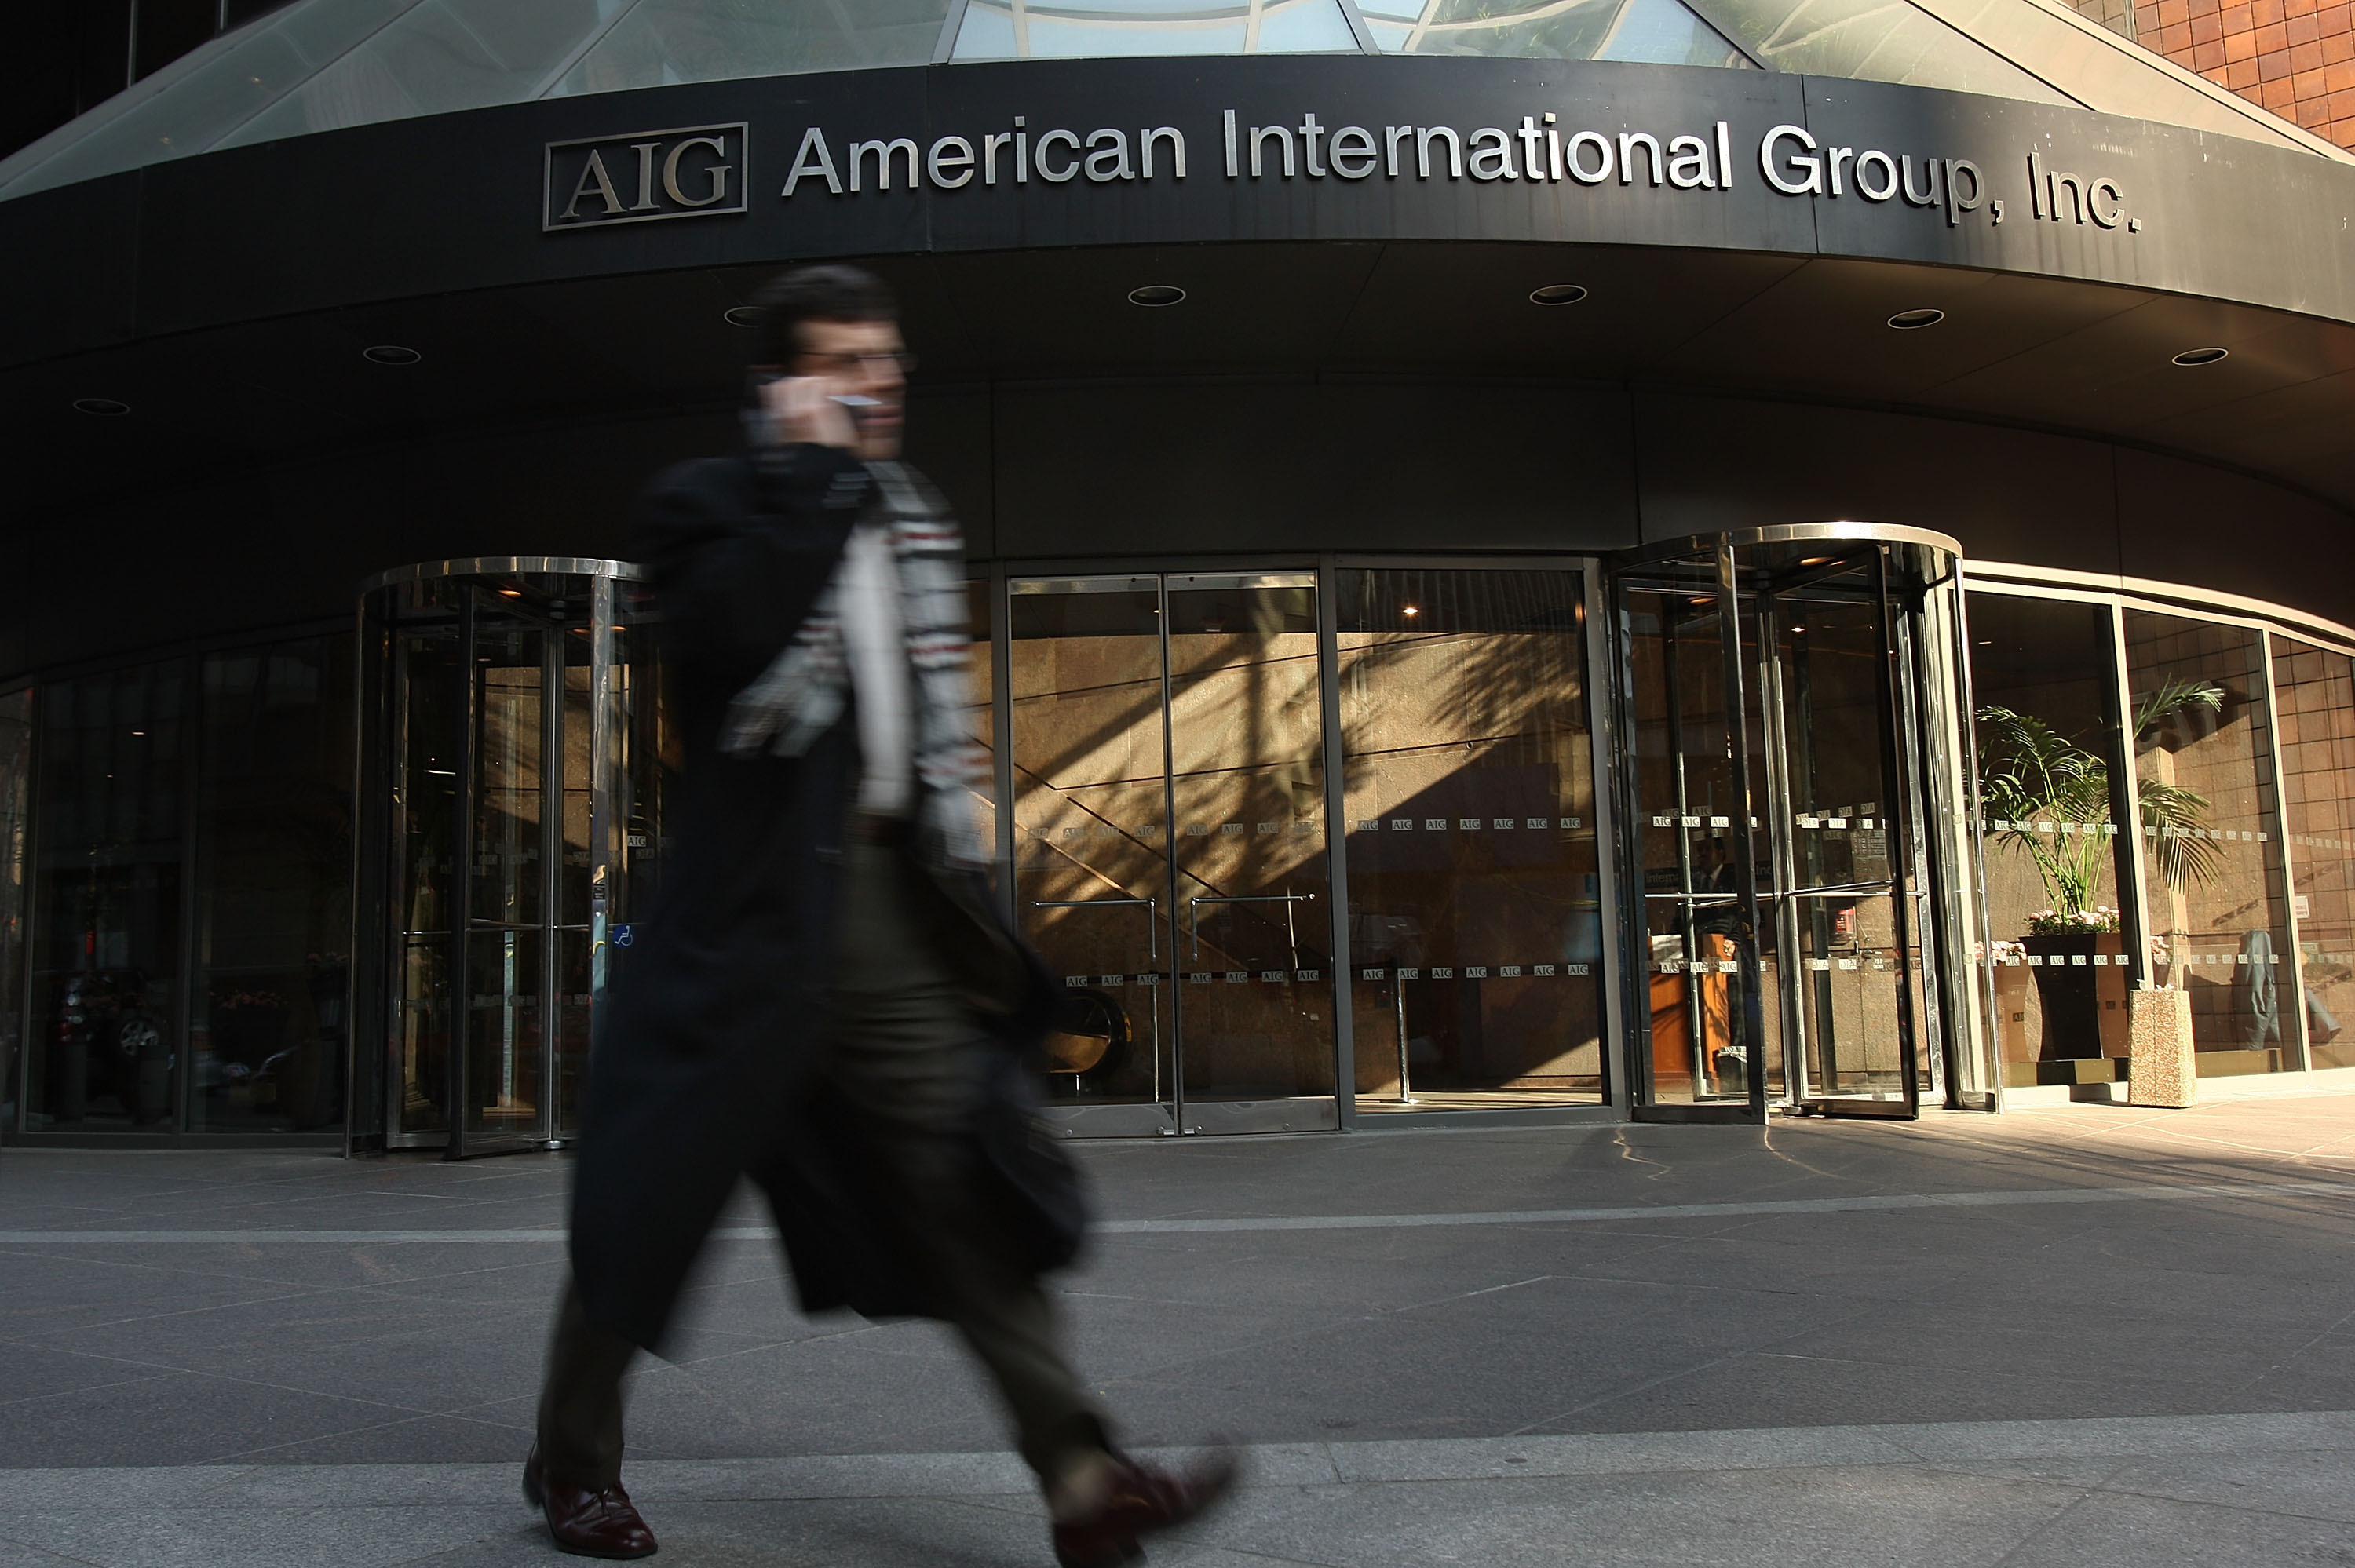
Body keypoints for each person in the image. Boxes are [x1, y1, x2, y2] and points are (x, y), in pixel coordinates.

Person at [524, 264, 1236, 1563]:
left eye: (889, 356)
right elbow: (734, 642)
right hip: (742, 921)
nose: (882, 380)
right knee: (652, 1199)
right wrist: (811, 477)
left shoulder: (910, 518)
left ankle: (1082, 1478)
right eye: (848, 361)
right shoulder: (709, 505)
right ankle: (573, 1460)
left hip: (884, 914)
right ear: (783, 386)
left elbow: (909, 729)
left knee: (963, 1176)